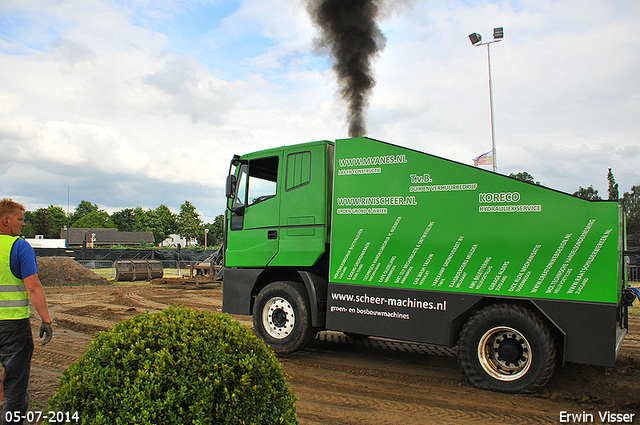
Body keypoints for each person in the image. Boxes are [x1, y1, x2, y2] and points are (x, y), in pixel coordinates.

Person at [0, 199, 52, 425]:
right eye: (19, 219)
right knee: (15, 386)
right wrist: (46, 320)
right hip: (13, 327)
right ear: (5, 220)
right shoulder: (19, 247)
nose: (23, 224)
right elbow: (32, 286)